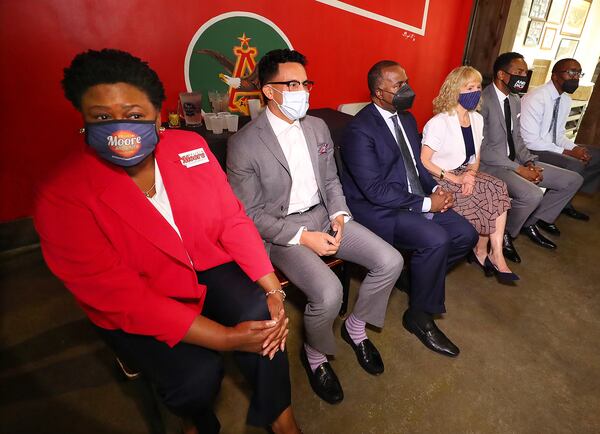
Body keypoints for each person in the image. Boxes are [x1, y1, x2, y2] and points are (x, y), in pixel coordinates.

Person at [34, 49, 300, 434]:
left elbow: (231, 219)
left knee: (262, 312)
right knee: (196, 376)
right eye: (102, 117)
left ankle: (278, 411)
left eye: (134, 114)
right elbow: (123, 298)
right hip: (141, 294)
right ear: (84, 119)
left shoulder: (188, 146)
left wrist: (271, 286)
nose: (120, 128)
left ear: (158, 114)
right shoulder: (61, 194)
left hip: (203, 263)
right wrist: (225, 339)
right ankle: (198, 421)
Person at [227, 49, 403, 405]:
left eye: (305, 83)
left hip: (324, 215)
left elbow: (332, 179)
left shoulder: (317, 126)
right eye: (291, 84)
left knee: (391, 261)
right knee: (327, 294)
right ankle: (316, 355)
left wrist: (339, 214)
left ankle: (356, 327)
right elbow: (250, 214)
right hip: (282, 231)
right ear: (268, 91)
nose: (302, 91)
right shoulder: (243, 144)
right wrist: (302, 237)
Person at [340, 60, 478, 358]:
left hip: (412, 197)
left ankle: (415, 276)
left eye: (407, 81)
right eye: (398, 85)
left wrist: (433, 188)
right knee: (436, 240)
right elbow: (374, 191)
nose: (408, 89)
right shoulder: (359, 131)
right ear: (379, 92)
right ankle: (419, 315)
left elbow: (416, 164)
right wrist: (428, 203)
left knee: (465, 234)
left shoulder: (405, 117)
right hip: (377, 209)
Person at [479, 52, 583, 263]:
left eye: (525, 73)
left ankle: (529, 222)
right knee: (532, 194)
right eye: (519, 72)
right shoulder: (482, 100)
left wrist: (528, 162)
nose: (524, 77)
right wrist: (518, 169)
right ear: (501, 74)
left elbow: (517, 138)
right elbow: (481, 147)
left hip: (516, 161)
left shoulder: (515, 100)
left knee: (572, 180)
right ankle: (504, 233)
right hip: (491, 164)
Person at [421, 66, 516, 281]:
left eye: (478, 87)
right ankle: (481, 251)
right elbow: (424, 161)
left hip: (465, 172)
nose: (476, 91)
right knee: (480, 200)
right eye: (469, 87)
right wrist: (456, 179)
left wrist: (471, 175)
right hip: (440, 176)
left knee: (498, 187)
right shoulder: (439, 122)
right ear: (455, 90)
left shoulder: (477, 119)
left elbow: (476, 156)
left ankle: (496, 253)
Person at [521, 57, 599, 219]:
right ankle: (541, 216)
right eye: (571, 72)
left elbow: (559, 135)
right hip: (532, 149)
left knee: (596, 155)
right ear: (555, 76)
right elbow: (530, 141)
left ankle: (563, 201)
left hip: (550, 146)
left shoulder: (565, 99)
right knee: (574, 163)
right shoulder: (536, 98)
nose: (575, 77)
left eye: (578, 73)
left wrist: (575, 148)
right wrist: (569, 153)